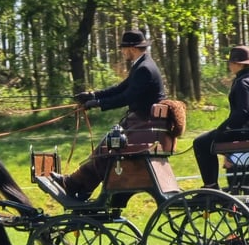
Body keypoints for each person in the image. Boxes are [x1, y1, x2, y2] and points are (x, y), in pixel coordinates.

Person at [51, 29, 166, 200]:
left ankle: (75, 183)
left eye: (123, 49)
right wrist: (93, 95)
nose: (122, 52)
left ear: (131, 49)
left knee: (107, 149)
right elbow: (120, 88)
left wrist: (98, 104)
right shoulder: (143, 65)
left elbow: (127, 97)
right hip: (141, 122)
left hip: (142, 124)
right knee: (105, 147)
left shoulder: (144, 69)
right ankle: (82, 185)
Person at [192, 45, 249, 189]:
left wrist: (223, 128)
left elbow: (241, 114)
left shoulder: (242, 83)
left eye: (231, 62)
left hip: (242, 131)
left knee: (200, 143)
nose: (230, 65)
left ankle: (210, 185)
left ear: (238, 64)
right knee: (208, 140)